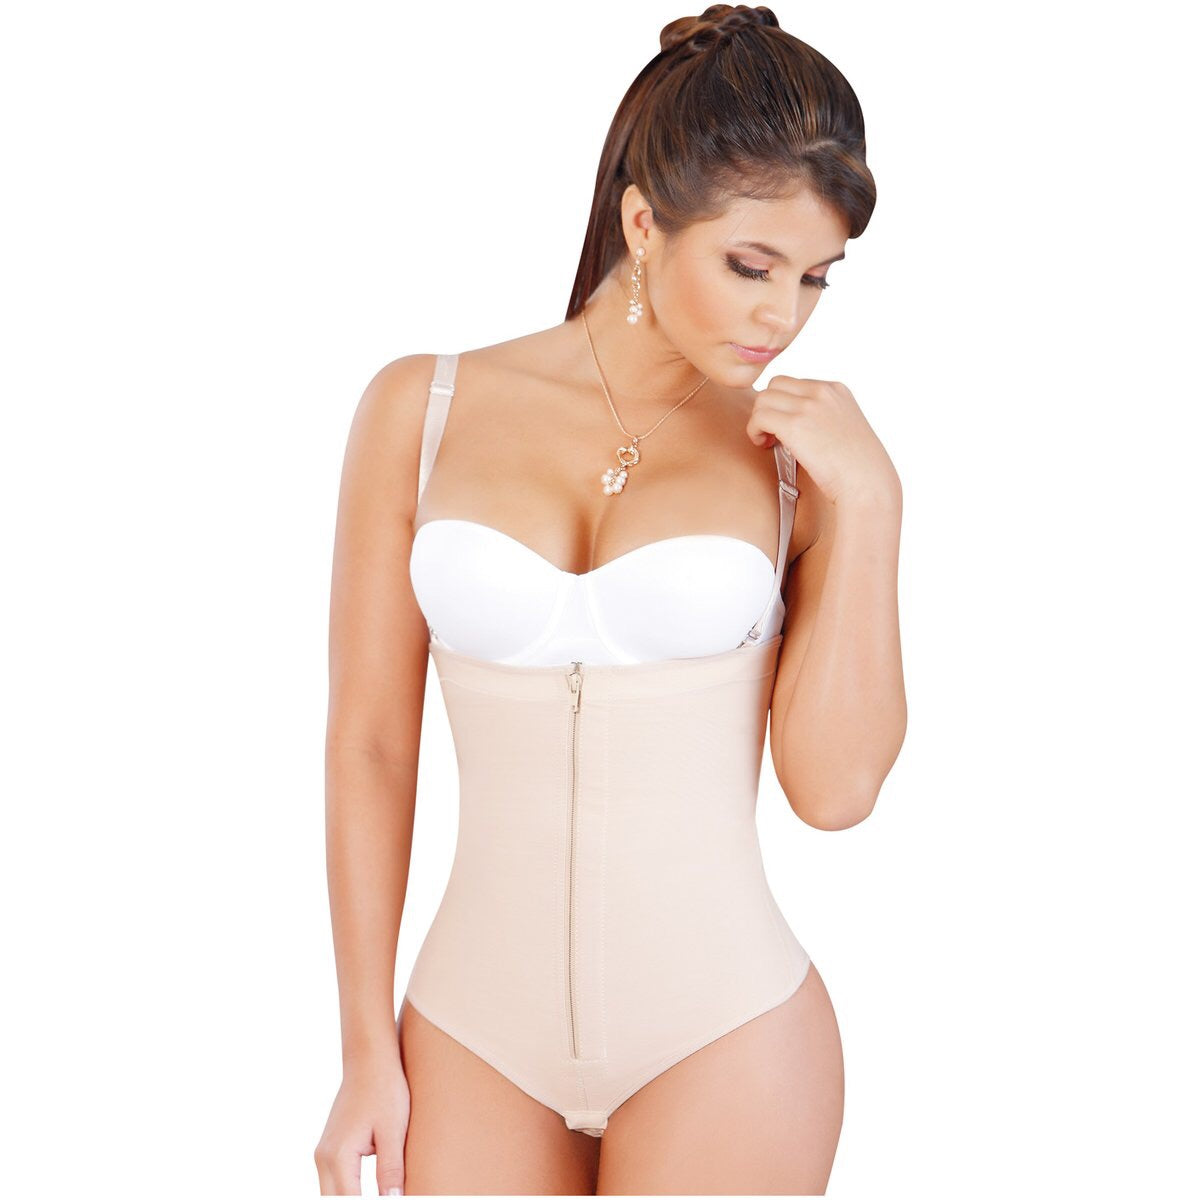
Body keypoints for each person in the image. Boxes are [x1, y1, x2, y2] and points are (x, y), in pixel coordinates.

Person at [314, 4, 905, 1194]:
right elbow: (372, 743)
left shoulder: (800, 464)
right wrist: (364, 1048)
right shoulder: (422, 411)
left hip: (728, 1031)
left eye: (815, 279)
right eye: (751, 266)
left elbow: (835, 794)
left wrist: (876, 508)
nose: (782, 316)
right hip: (471, 1032)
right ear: (643, 222)